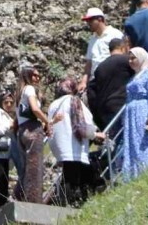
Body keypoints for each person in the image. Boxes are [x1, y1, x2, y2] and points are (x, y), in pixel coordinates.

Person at [47, 77, 101, 206]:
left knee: (68, 175)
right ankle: (71, 204)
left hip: (59, 145)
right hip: (73, 145)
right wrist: (95, 134)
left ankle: (66, 202)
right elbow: (82, 125)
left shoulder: (53, 105)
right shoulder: (74, 100)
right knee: (73, 178)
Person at [117, 47, 148, 181]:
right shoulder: (134, 76)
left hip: (143, 111)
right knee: (134, 143)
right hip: (132, 114)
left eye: (133, 58)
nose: (130, 61)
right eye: (129, 58)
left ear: (141, 58)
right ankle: (134, 174)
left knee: (144, 142)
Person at [15, 66, 49, 204]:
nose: (37, 78)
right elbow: (35, 109)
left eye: (39, 76)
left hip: (22, 131)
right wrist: (47, 121)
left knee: (26, 168)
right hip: (33, 129)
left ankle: (18, 197)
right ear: (27, 76)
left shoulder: (19, 93)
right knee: (35, 168)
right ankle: (34, 203)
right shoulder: (29, 89)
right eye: (34, 75)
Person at [88, 38, 133, 129]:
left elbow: (92, 90)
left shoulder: (100, 67)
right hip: (121, 105)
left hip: (105, 109)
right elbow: (143, 70)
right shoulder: (126, 61)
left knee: (113, 139)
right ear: (122, 47)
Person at [79, 8, 124, 94]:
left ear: (100, 19)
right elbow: (89, 63)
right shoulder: (92, 39)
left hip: (111, 80)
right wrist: (83, 82)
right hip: (95, 82)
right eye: (87, 21)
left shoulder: (115, 34)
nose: (88, 23)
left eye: (90, 20)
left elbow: (122, 56)